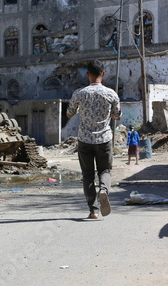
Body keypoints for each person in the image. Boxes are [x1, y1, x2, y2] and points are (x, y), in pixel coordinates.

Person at [67, 60, 122, 219]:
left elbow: (69, 114)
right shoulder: (111, 94)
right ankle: (104, 190)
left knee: (87, 175)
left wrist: (79, 110)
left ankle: (94, 210)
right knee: (104, 170)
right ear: (103, 74)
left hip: (85, 140)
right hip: (104, 139)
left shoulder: (79, 93)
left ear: (87, 74)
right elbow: (117, 115)